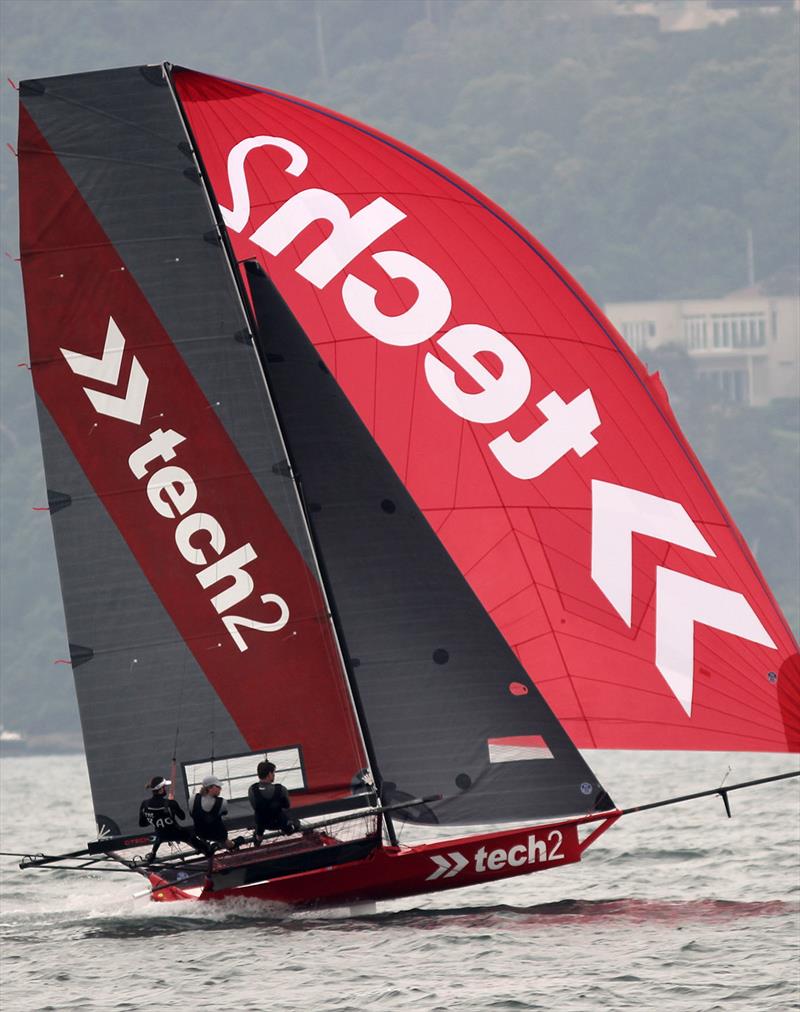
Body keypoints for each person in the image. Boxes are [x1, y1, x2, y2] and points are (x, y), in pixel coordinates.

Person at [138, 775, 212, 863]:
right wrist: (173, 804)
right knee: (190, 834)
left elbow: (142, 824)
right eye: (164, 787)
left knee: (160, 835)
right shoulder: (170, 803)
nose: (165, 789)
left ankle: (153, 854)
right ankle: (208, 853)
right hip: (176, 833)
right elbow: (182, 817)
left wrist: (155, 819)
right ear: (161, 789)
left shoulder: (144, 804)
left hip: (160, 835)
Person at [248, 761, 297, 843]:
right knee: (293, 823)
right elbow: (287, 806)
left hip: (262, 824)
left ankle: (258, 837)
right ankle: (289, 831)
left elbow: (255, 807)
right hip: (279, 823)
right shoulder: (281, 789)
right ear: (269, 774)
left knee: (260, 817)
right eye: (274, 772)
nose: (274, 775)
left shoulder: (252, 789)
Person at [191, 775, 235, 852]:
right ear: (209, 788)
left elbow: (192, 813)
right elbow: (224, 812)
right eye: (218, 787)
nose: (220, 788)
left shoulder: (193, 798)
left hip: (200, 832)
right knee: (230, 844)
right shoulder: (222, 802)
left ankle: (208, 845)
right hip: (218, 835)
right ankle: (234, 844)